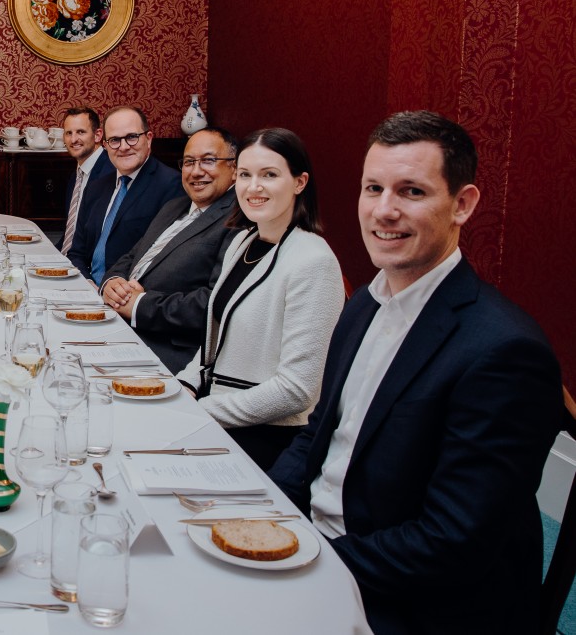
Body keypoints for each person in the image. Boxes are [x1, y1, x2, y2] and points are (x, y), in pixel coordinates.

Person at [269, 111, 561, 635]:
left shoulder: (504, 352)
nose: (384, 211)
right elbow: (318, 436)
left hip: (406, 600)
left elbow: (452, 544)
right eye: (373, 188)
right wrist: (263, 515)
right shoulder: (363, 304)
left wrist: (309, 562)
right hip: (325, 545)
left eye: (411, 192)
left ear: (462, 205)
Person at [176, 128, 344, 469]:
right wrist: (184, 385)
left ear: (299, 182)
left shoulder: (313, 261)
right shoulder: (242, 242)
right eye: (245, 175)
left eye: (269, 175)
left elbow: (297, 391)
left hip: (267, 436)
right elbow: (216, 339)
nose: (253, 187)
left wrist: (200, 411)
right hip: (216, 414)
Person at [100, 127, 239, 371]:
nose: (196, 171)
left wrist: (140, 305)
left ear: (235, 169)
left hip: (166, 347)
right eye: (188, 162)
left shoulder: (237, 219)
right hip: (120, 324)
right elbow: (133, 255)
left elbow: (215, 303)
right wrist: (112, 283)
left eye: (208, 160)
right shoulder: (175, 206)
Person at [67, 106, 184, 284]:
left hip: (127, 293)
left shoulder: (171, 185)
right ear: (105, 145)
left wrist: (109, 287)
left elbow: (162, 257)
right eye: (114, 140)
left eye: (131, 137)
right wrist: (86, 281)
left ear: (149, 139)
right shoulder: (96, 188)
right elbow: (76, 252)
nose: (123, 147)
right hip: (87, 290)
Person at [59, 106, 112, 254]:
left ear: (97, 135)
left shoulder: (110, 173)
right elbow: (71, 233)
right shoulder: (76, 174)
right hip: (70, 256)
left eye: (81, 132)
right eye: (69, 133)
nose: (74, 139)